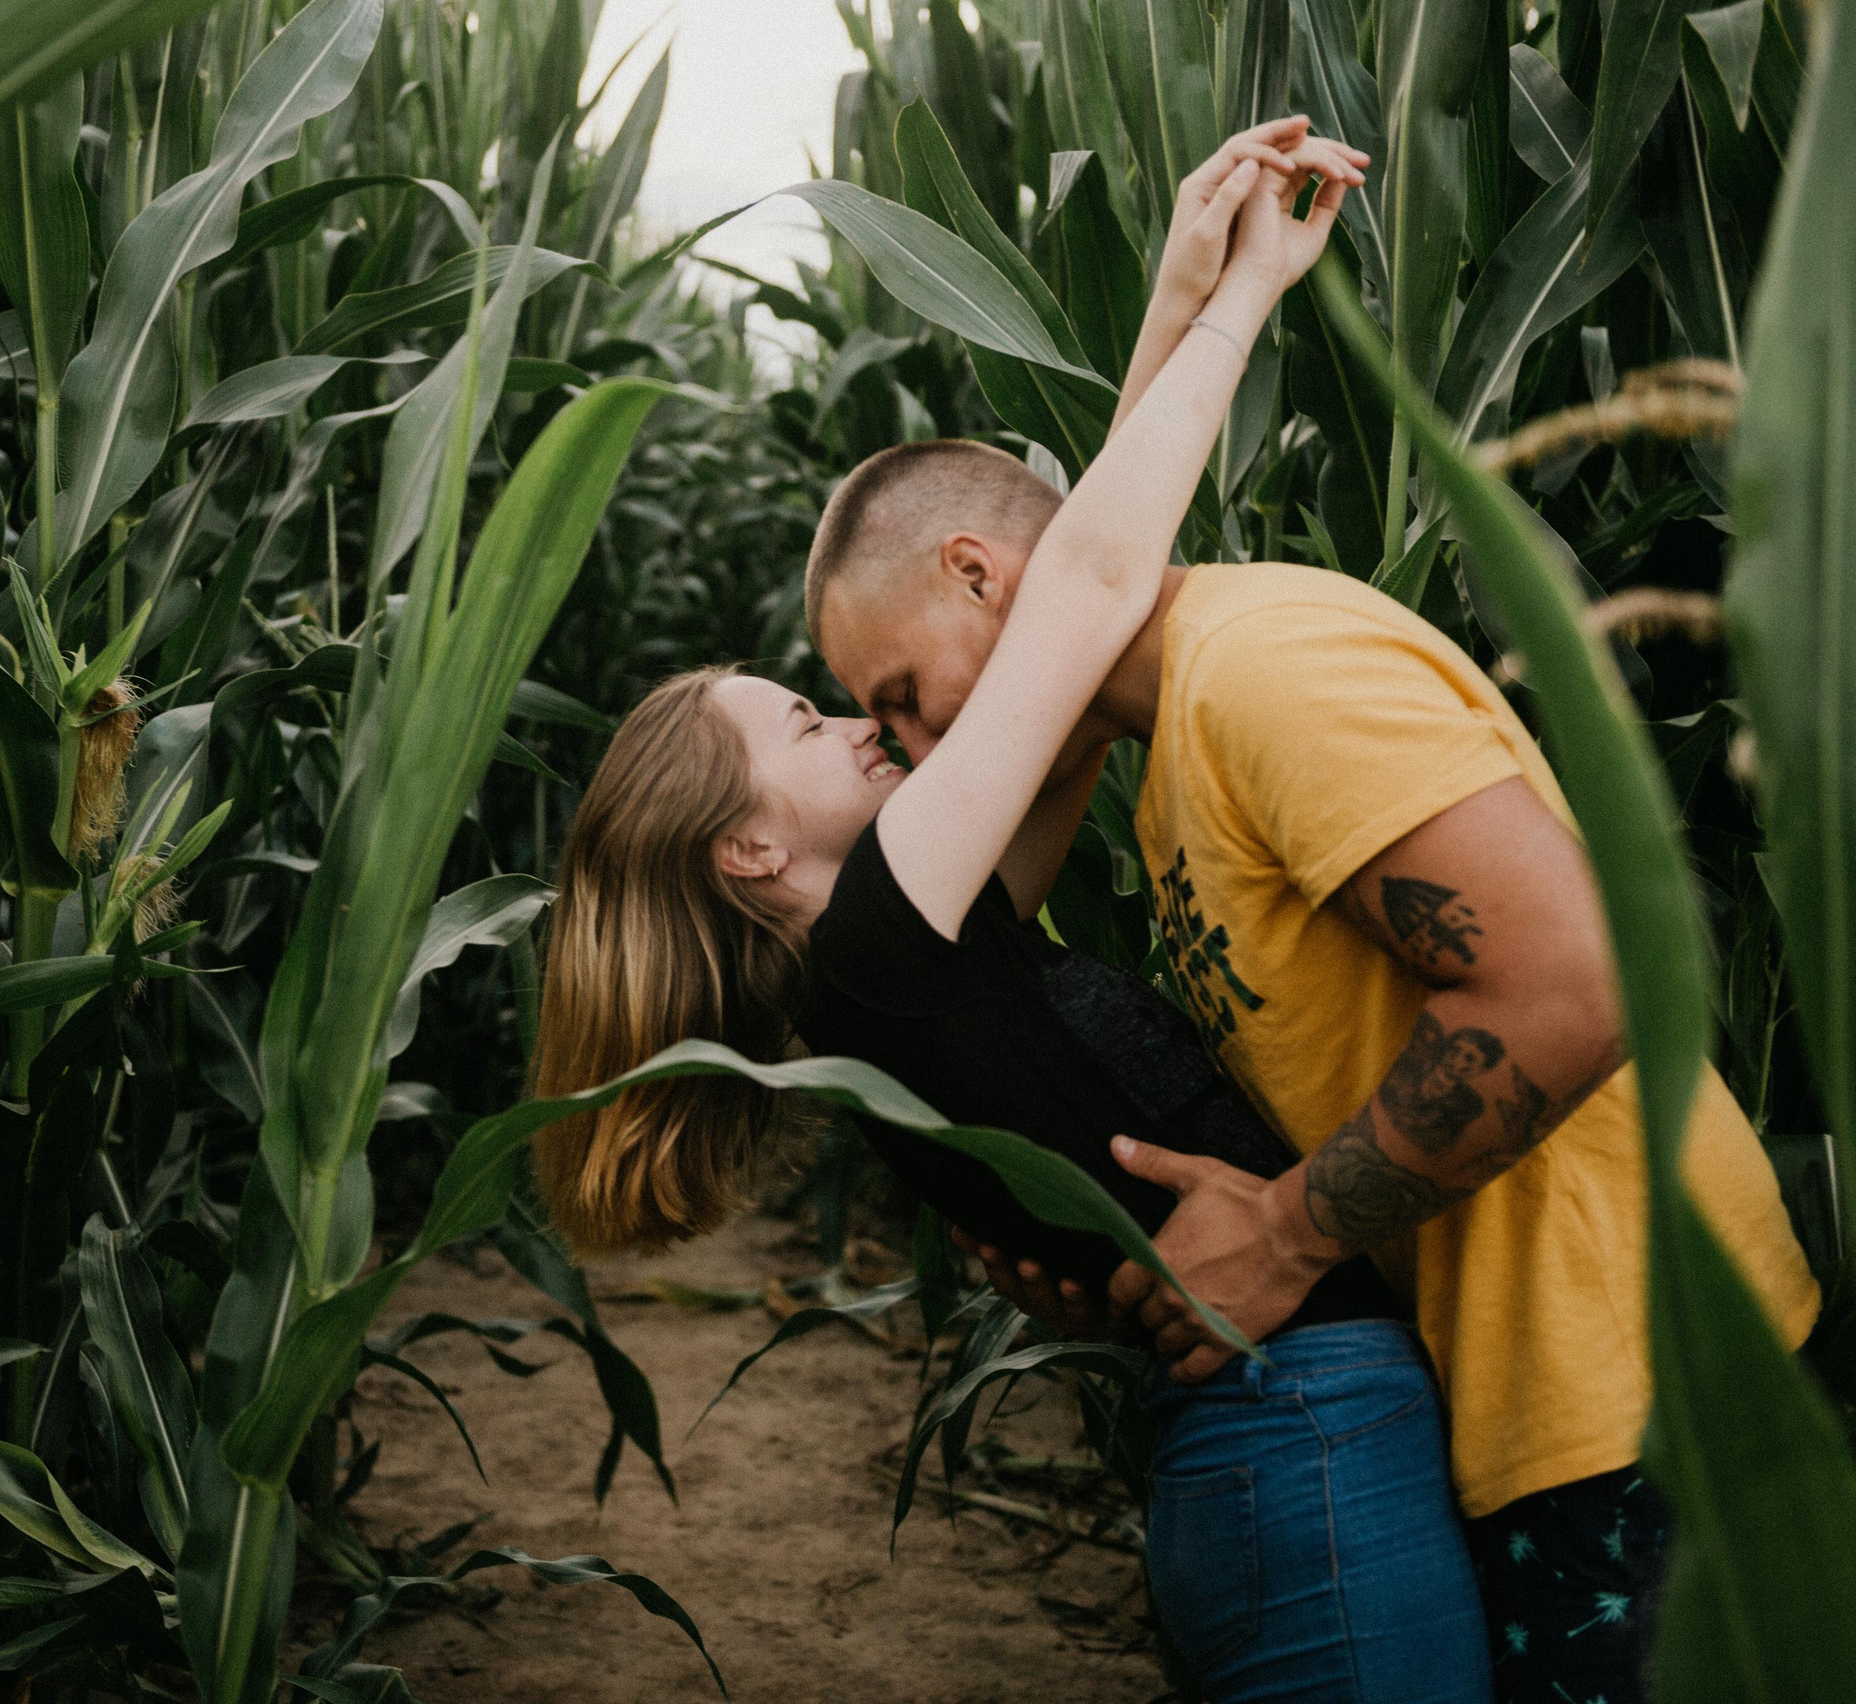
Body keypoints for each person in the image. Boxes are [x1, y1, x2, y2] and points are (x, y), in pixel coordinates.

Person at [798, 182, 1823, 1704]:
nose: (905, 743)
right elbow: (1087, 571)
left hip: (1645, 1384)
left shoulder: (1264, 675)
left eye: (893, 690)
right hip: (1533, 1397)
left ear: (974, 574)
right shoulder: (1162, 764)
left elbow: (1576, 977)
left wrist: (1287, 1231)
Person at [534, 121, 1494, 1702]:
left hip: (1283, 1438)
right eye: (806, 726)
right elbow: (1093, 588)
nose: (861, 729)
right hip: (1300, 1435)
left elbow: (1068, 632)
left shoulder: (914, 962)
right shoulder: (879, 948)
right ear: (750, 859)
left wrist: (1171, 298)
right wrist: (1247, 294)